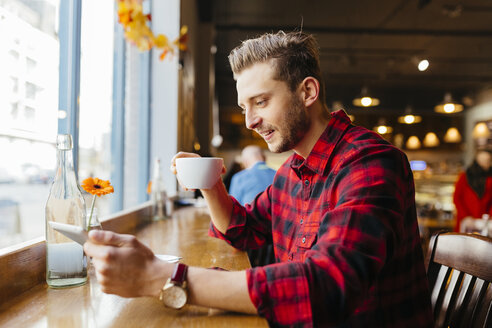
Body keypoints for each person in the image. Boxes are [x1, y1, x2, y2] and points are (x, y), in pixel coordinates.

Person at [84, 31, 434, 327]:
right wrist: (210, 182)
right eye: (243, 107)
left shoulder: (370, 163)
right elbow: (243, 229)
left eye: (261, 102)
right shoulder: (291, 172)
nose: (250, 121)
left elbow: (329, 285)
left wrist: (165, 278)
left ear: (307, 92)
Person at [230, 145, 277, 267]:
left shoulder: (239, 178)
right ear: (264, 158)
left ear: (245, 162)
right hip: (278, 242)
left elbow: (232, 212)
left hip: (251, 241)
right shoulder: (279, 175)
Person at [453, 148, 492, 232]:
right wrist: (465, 216)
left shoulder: (490, 177)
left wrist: (489, 216)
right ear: (477, 160)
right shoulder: (465, 176)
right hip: (466, 221)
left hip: (486, 222)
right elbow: (457, 198)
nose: (485, 163)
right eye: (483, 160)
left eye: (488, 160)